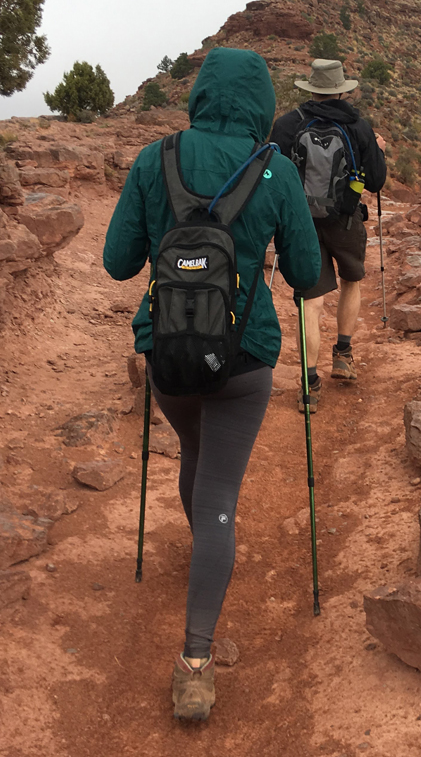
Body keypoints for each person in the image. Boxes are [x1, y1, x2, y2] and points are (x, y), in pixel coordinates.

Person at [103, 47, 320, 722]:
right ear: (260, 101)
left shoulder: (154, 158)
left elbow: (118, 263)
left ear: (199, 93)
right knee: (219, 486)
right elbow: (309, 276)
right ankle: (196, 662)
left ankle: (206, 552)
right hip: (245, 360)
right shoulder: (276, 169)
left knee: (194, 456)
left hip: (167, 358)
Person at [269, 59, 387, 412]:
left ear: (311, 88)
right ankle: (344, 354)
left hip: (300, 224)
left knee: (311, 301)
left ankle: (310, 382)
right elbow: (377, 182)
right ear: (341, 89)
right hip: (346, 221)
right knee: (352, 281)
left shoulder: (288, 125)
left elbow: (270, 174)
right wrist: (377, 150)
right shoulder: (359, 127)